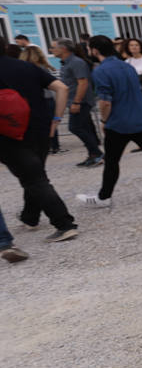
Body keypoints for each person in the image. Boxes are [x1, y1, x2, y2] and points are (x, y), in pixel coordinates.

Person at [75, 36, 142, 208]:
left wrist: (104, 120)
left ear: (95, 50)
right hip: (140, 119)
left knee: (112, 162)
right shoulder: (127, 66)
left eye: (89, 48)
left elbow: (105, 101)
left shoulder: (101, 71)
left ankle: (104, 197)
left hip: (118, 123)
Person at [0, 39, 79, 242]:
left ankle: (64, 224)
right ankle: (30, 217)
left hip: (9, 134)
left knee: (34, 179)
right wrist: (56, 119)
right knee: (34, 174)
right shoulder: (26, 66)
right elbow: (62, 88)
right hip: (40, 128)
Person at [50, 38, 103, 167]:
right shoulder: (66, 63)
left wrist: (77, 102)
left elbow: (83, 83)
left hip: (81, 101)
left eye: (53, 47)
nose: (51, 50)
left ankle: (97, 153)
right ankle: (93, 154)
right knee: (85, 127)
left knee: (75, 127)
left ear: (63, 49)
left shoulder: (76, 62)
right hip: (74, 100)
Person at [20, 45, 64, 154]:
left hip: (38, 99)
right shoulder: (43, 67)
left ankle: (46, 145)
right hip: (48, 98)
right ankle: (54, 145)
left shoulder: (25, 69)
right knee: (50, 123)